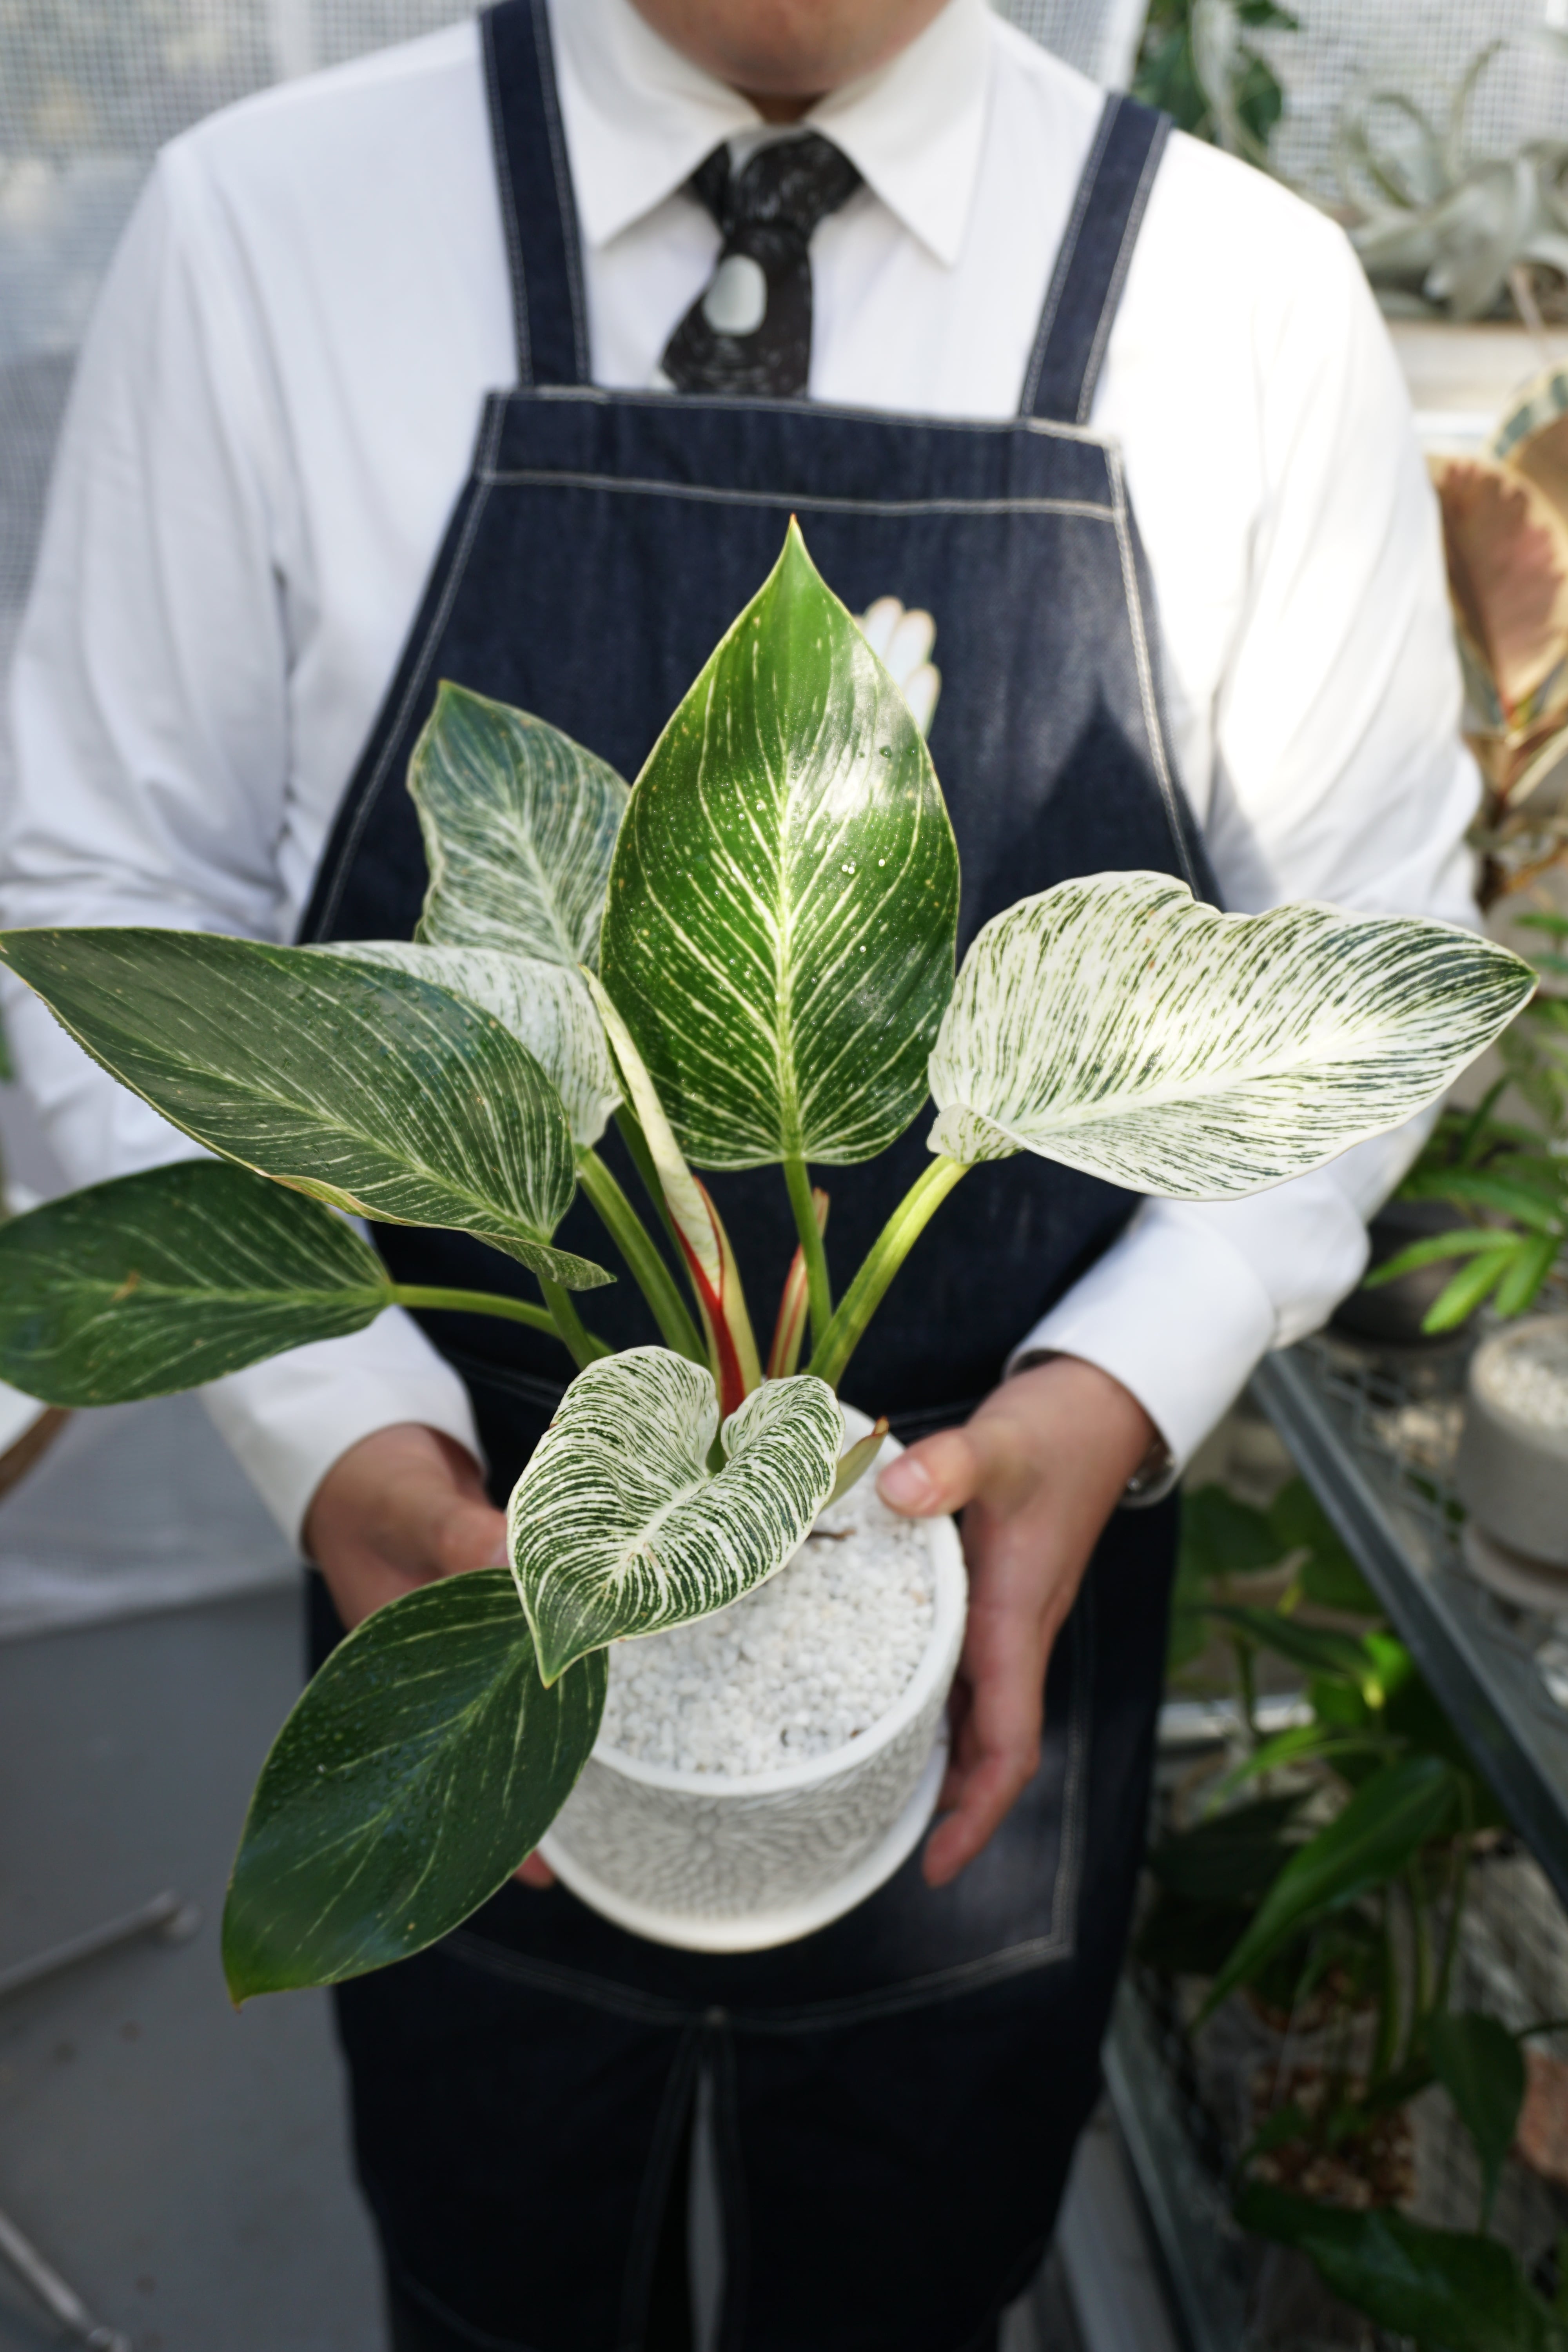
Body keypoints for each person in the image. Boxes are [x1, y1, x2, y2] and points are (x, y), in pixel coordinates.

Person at [0, 0, 1477, 2345]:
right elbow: (112, 886)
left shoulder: (1244, 303)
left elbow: (1365, 977)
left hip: (986, 1572)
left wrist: (1122, 1386)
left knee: (914, 2277)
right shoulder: (267, 230)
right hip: (478, 1553)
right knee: (491, 2271)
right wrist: (332, 1430)